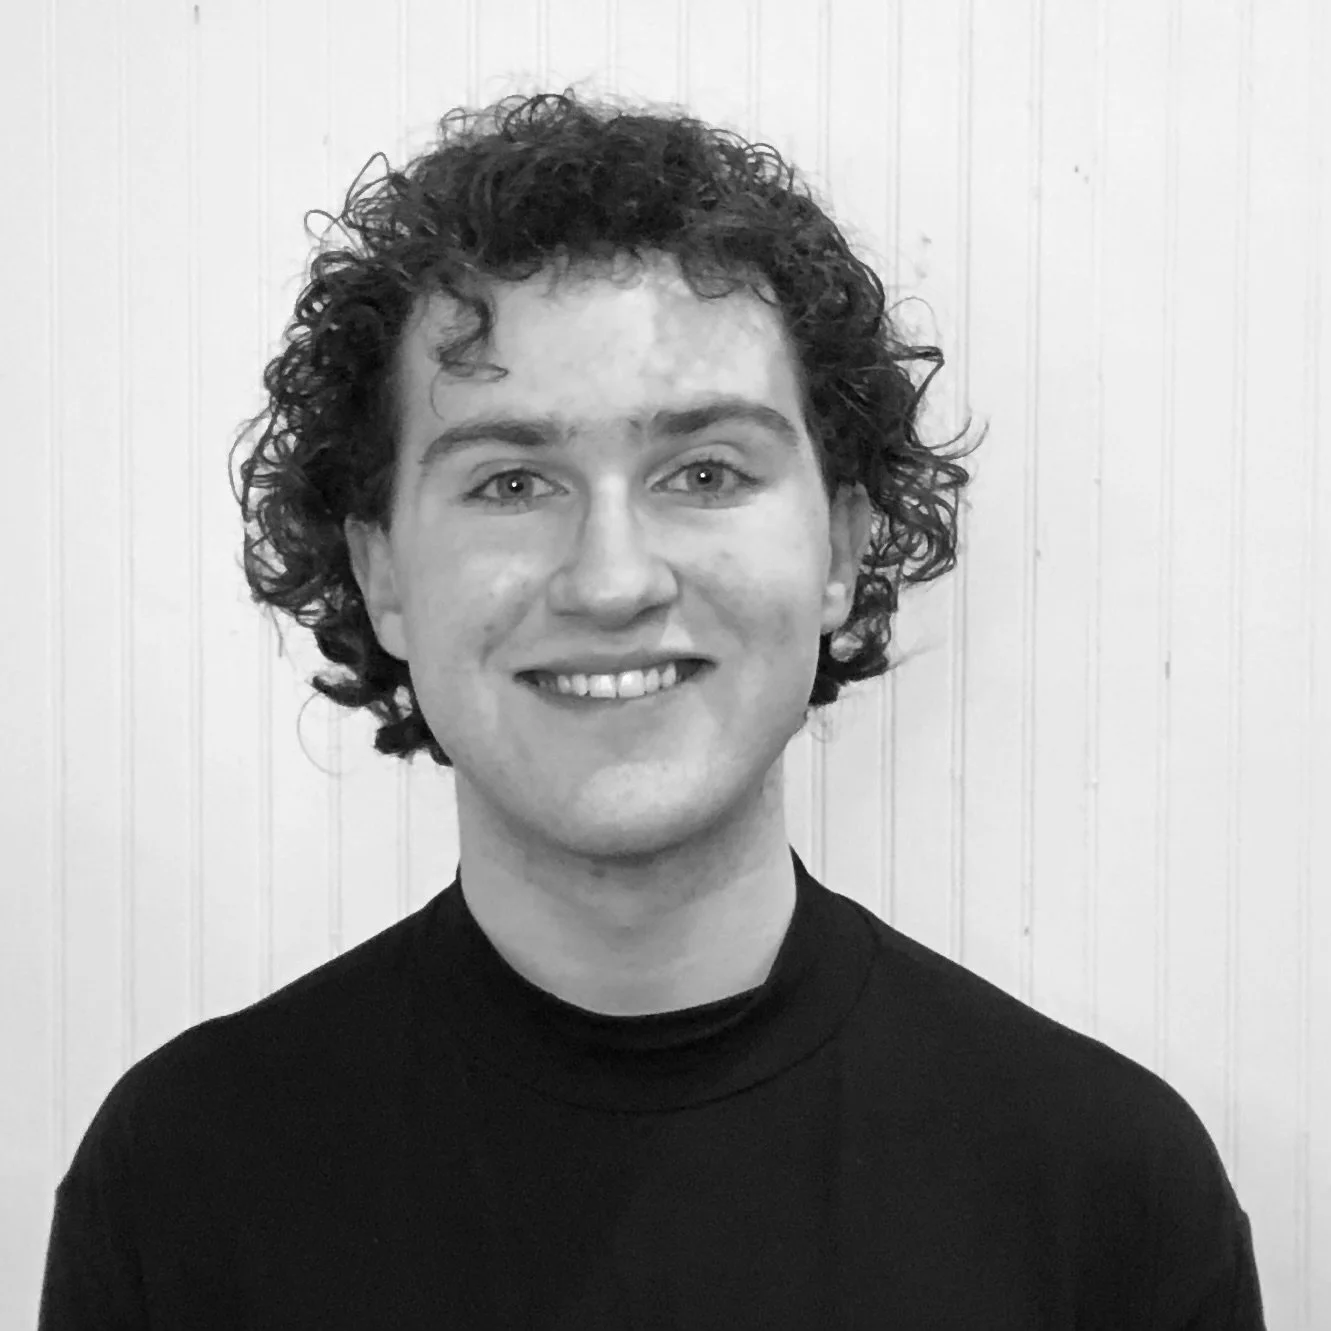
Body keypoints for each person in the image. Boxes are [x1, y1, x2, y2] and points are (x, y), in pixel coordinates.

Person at [38, 89, 1264, 1328]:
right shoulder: (181, 1182)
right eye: (511, 481)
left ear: (838, 547)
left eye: (704, 473)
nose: (613, 577)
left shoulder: (1106, 1191)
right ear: (382, 574)